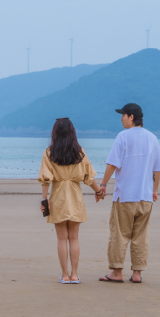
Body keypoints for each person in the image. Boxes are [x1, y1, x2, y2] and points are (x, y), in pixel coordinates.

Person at [97, 103, 160, 284]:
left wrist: (103, 185)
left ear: (131, 117)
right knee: (141, 236)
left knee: (119, 234)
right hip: (145, 197)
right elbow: (157, 169)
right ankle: (137, 274)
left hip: (126, 196)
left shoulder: (123, 136)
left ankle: (117, 272)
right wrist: (154, 190)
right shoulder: (153, 138)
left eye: (123, 115)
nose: (121, 119)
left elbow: (112, 164)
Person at [38, 118, 104, 284]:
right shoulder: (79, 152)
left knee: (62, 238)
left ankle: (65, 275)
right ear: (72, 133)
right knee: (74, 238)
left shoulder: (49, 152)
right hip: (75, 196)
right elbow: (89, 177)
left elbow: (45, 179)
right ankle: (74, 275)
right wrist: (98, 191)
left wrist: (44, 200)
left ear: (55, 133)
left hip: (58, 196)